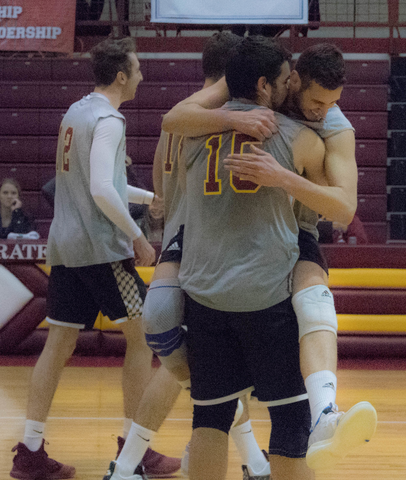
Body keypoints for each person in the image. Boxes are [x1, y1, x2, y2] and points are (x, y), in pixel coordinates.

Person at [161, 42, 377, 472]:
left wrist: (282, 178)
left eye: (332, 103)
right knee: (156, 317)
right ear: (289, 81)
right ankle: (306, 417)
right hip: (256, 279)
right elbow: (172, 119)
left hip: (247, 254)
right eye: (316, 100)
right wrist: (232, 118)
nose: (322, 110)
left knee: (312, 288)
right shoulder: (252, 107)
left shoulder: (333, 125)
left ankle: (325, 411)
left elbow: (345, 208)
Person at [10, 37, 180, 480]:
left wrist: (147, 198)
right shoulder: (109, 119)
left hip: (65, 247)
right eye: (138, 69)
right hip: (101, 250)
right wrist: (137, 238)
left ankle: (29, 450)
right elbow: (102, 189)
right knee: (144, 338)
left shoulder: (76, 112)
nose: (142, 76)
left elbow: (92, 182)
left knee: (59, 342)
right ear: (121, 75)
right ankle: (135, 447)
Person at [138, 32, 274, 480]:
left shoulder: (186, 115)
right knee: (187, 349)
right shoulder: (207, 115)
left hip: (192, 238)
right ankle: (133, 453)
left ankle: (250, 458)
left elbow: (159, 188)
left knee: (187, 346)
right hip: (197, 235)